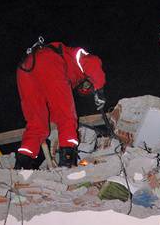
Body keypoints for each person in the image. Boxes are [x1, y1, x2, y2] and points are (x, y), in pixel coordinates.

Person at [15, 37, 107, 169]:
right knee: (67, 117)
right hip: (47, 60)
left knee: (36, 124)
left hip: (24, 68)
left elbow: (53, 110)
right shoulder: (75, 55)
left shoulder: (66, 73)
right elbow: (93, 62)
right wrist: (99, 89)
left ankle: (22, 165)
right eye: (87, 85)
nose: (86, 88)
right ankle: (67, 162)